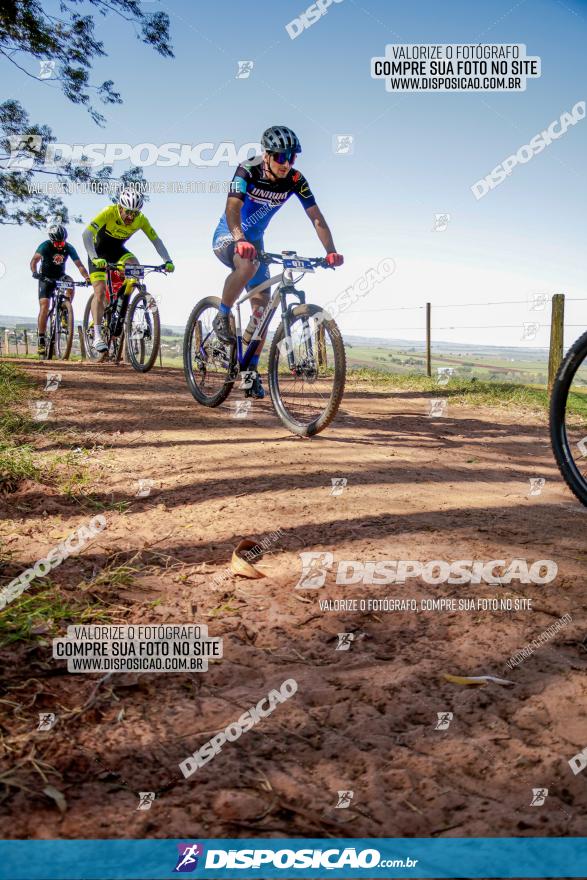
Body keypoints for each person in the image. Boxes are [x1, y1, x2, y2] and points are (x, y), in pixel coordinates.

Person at [212, 125, 344, 399]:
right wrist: (240, 239)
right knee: (248, 266)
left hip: (256, 241)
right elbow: (232, 209)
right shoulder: (248, 169)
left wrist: (331, 250)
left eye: (292, 157)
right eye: (281, 157)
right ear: (267, 155)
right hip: (230, 234)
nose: (287, 164)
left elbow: (316, 217)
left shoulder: (296, 179)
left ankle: (250, 372)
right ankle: (222, 314)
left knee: (262, 312)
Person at [82, 188, 175, 352]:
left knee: (135, 268)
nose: (131, 217)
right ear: (120, 207)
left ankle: (122, 305)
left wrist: (167, 260)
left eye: (135, 213)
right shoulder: (108, 212)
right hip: (98, 252)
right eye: (128, 212)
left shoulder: (141, 219)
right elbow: (86, 234)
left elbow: (156, 240)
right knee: (100, 291)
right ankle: (97, 335)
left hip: (118, 251)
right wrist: (94, 257)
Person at [30, 224, 90, 356]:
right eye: (57, 242)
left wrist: (86, 277)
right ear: (52, 240)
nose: (60, 245)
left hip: (60, 276)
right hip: (45, 277)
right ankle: (41, 339)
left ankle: (65, 310)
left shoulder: (68, 247)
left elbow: (79, 265)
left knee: (70, 283)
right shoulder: (45, 246)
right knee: (45, 306)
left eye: (62, 242)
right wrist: (35, 272)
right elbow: (34, 260)